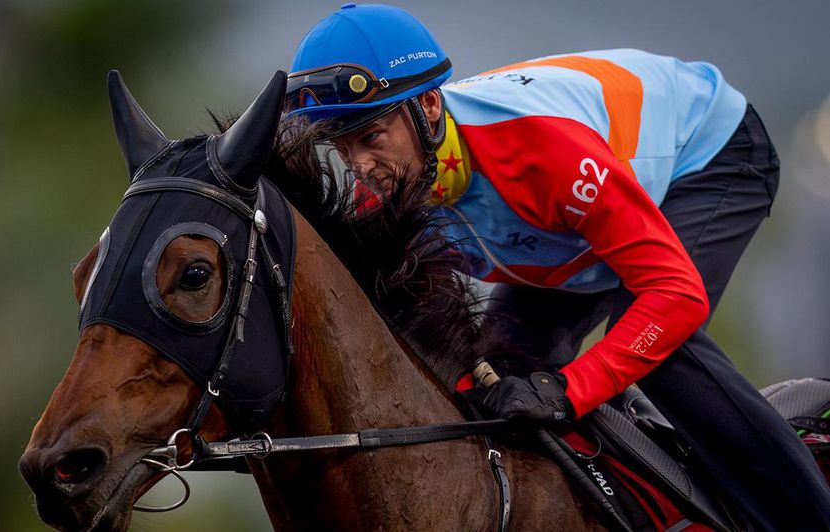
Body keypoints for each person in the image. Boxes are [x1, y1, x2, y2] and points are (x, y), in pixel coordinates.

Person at [283, 3, 830, 530]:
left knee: (661, 352)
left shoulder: (541, 150)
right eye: (340, 146)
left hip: (707, 154)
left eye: (371, 137)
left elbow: (676, 297)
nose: (360, 167)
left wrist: (570, 390)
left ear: (427, 108)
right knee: (500, 380)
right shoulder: (385, 195)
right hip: (568, 227)